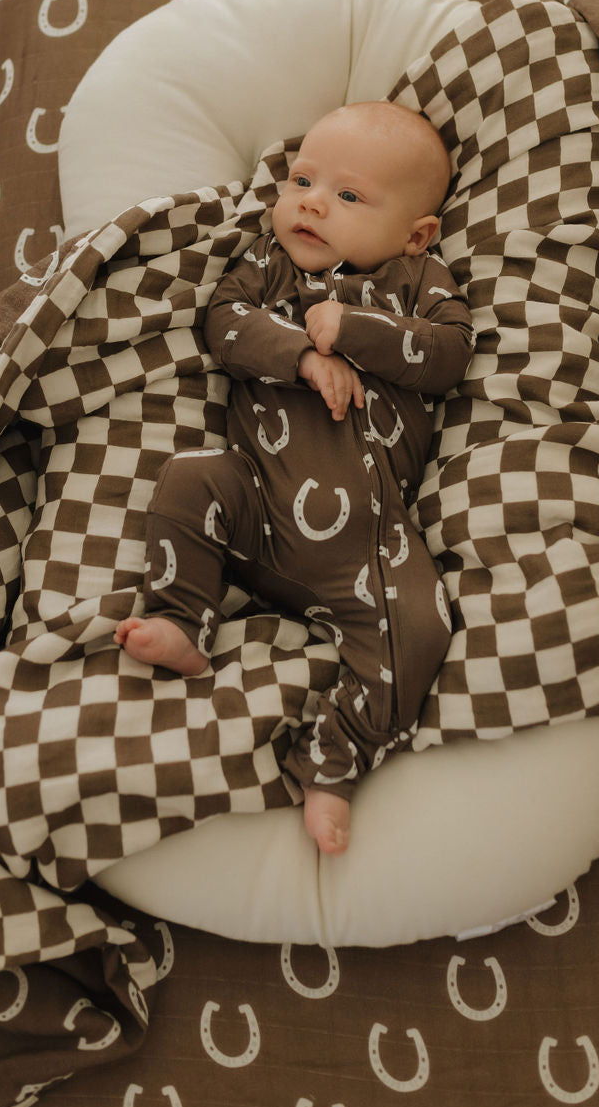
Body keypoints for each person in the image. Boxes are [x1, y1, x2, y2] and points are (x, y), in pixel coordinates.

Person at [114, 100, 475, 854]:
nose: (310, 201)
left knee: (422, 627)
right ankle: (184, 616)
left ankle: (333, 760)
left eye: (347, 196)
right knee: (189, 477)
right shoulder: (267, 263)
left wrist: (359, 331)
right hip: (255, 507)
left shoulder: (418, 278)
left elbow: (448, 356)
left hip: (367, 548)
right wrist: (303, 356)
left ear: (414, 232)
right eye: (302, 179)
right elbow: (224, 323)